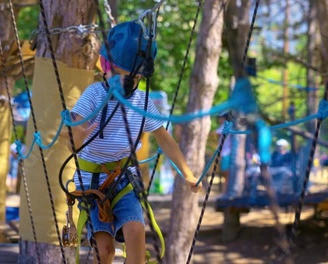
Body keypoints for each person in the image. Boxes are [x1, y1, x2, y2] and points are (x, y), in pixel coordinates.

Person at [63, 21, 201, 264]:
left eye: (135, 77)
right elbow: (72, 132)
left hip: (123, 177)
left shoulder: (143, 103)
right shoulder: (94, 95)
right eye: (122, 75)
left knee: (136, 232)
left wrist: (188, 174)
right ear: (105, 66)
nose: (128, 82)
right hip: (92, 182)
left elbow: (166, 141)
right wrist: (77, 136)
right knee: (104, 251)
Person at [215, 111, 232, 192]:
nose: (219, 120)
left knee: (226, 174)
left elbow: (214, 133)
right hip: (225, 153)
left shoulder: (226, 126)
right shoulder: (229, 126)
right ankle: (225, 190)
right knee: (226, 174)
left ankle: (226, 191)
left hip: (226, 153)